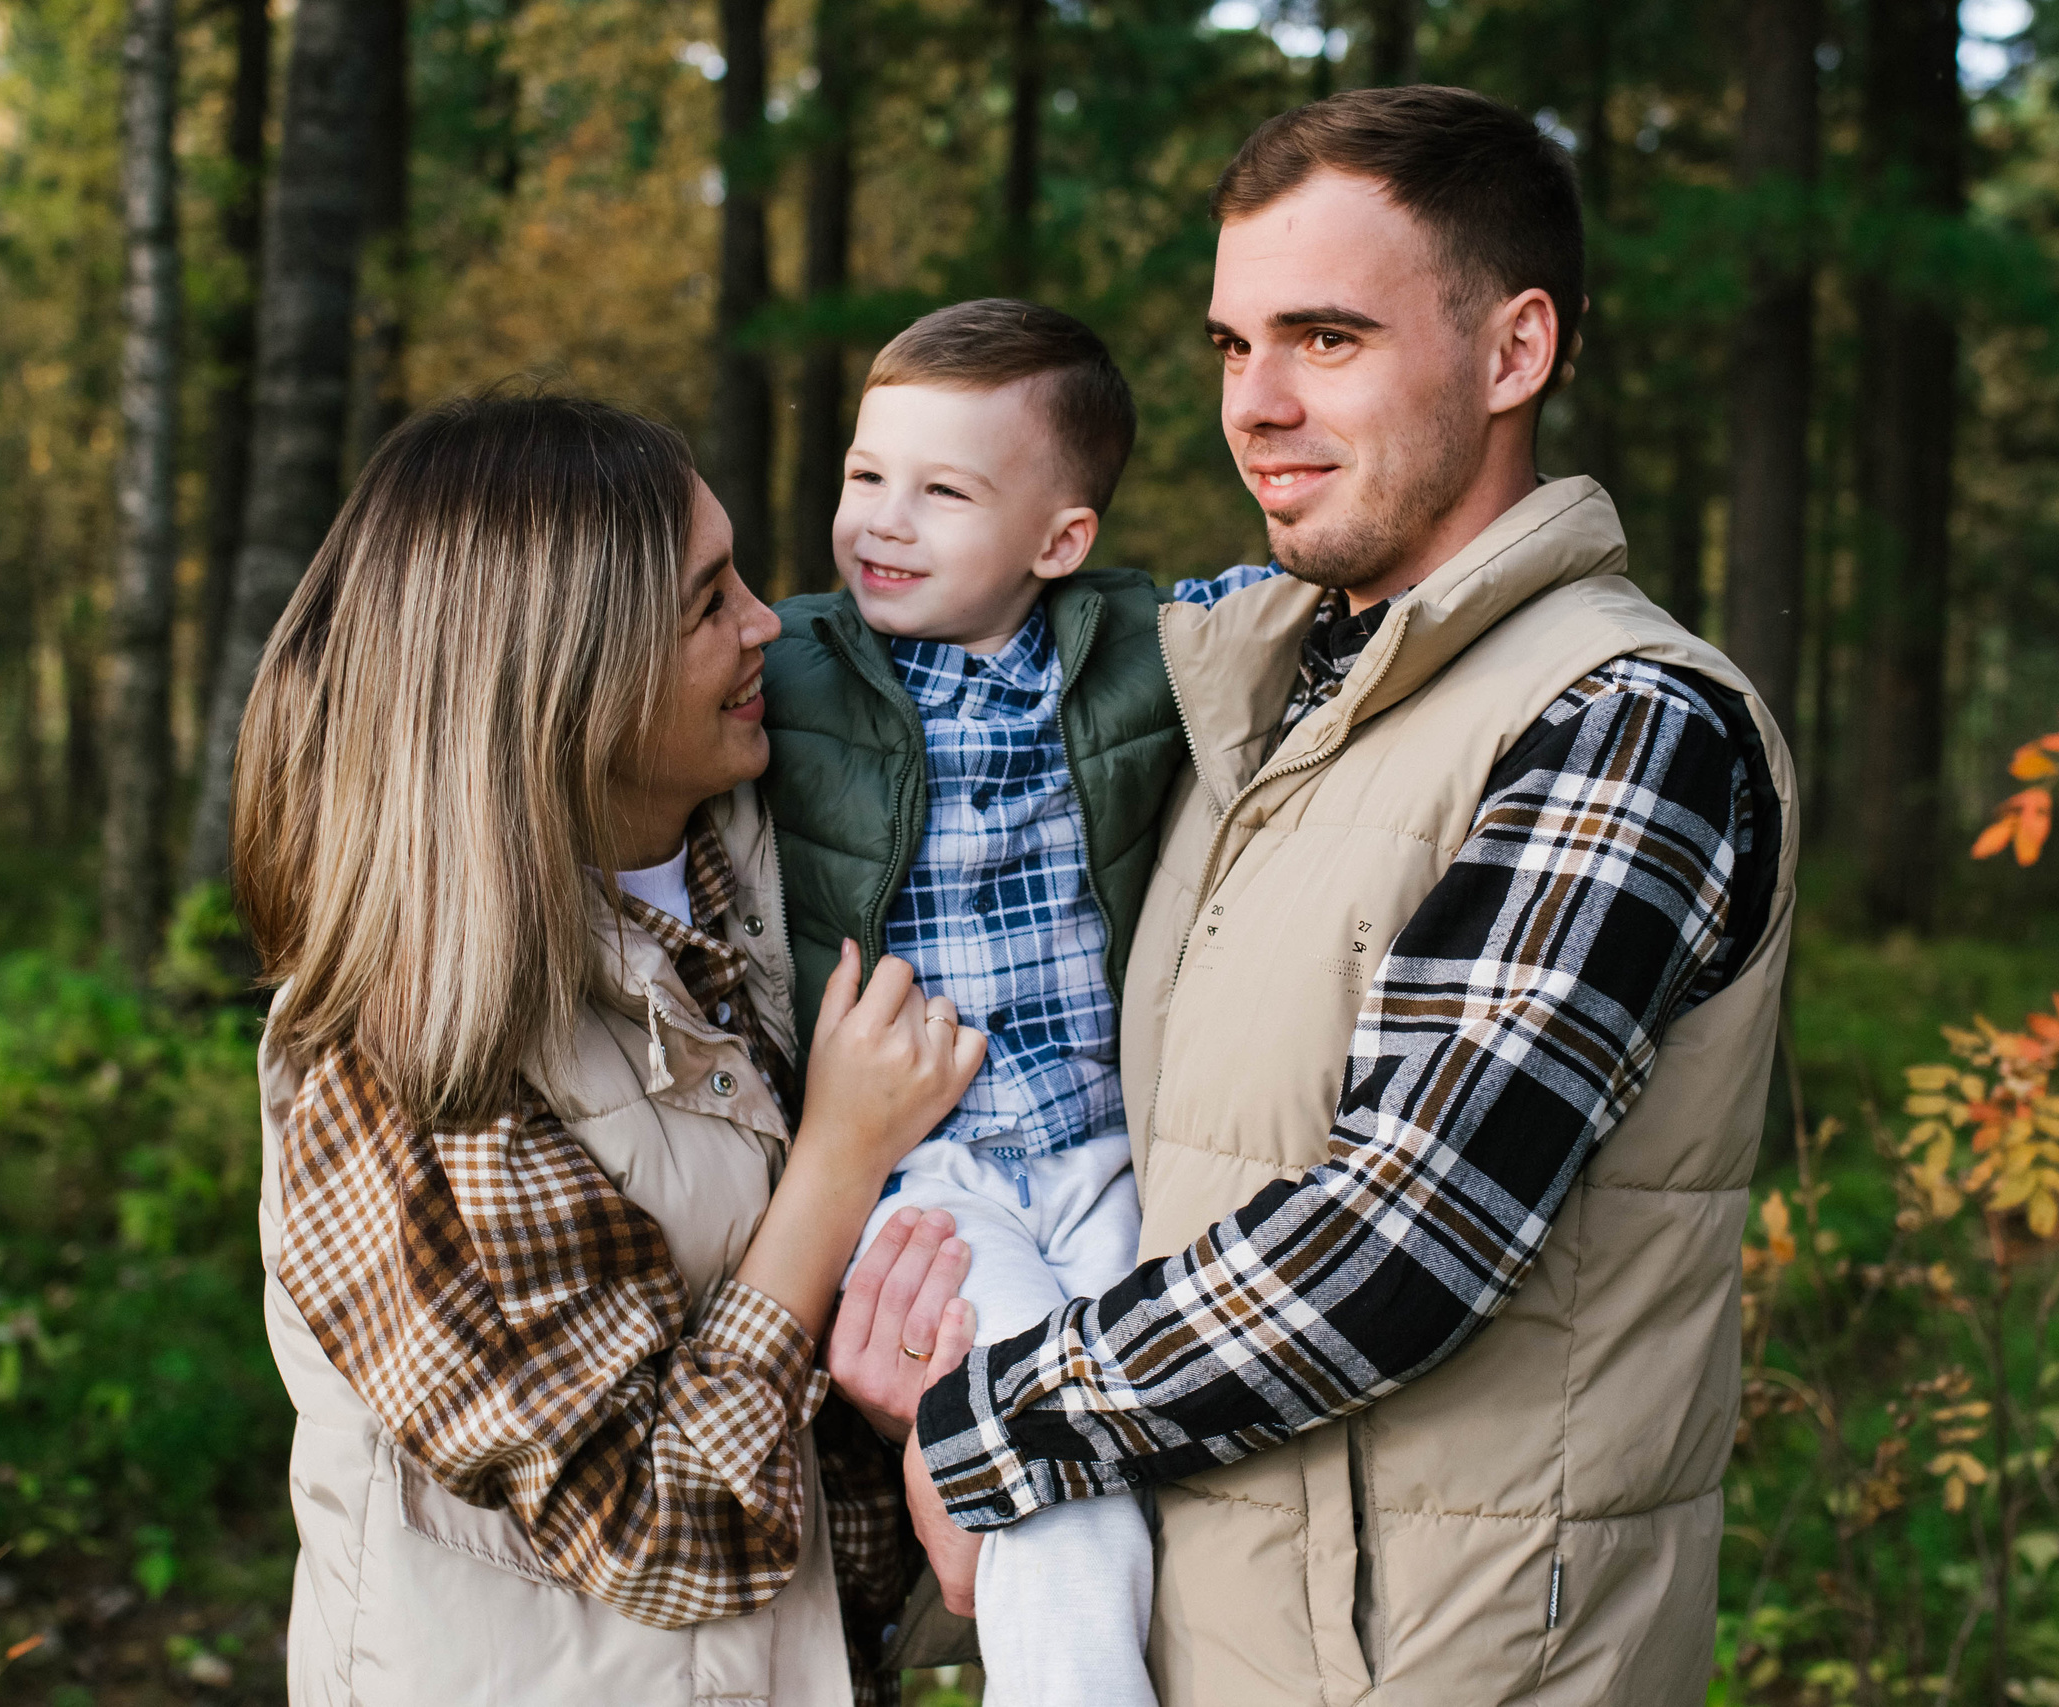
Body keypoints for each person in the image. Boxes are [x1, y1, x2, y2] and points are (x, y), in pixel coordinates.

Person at [902, 88, 1800, 1705]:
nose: (1255, 406)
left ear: (1515, 353)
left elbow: (1407, 1234)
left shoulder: (1623, 722)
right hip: (1218, 1642)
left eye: (1326, 340)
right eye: (1234, 346)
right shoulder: (1254, 701)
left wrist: (992, 1426)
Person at [232, 391, 989, 1707]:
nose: (767, 621)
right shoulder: (403, 1058)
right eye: (708, 603)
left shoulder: (774, 876)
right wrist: (841, 1159)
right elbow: (663, 1530)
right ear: (560, 680)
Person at [757, 299, 1273, 1707]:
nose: (884, 521)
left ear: (1058, 543)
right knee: (1045, 1433)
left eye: (942, 491)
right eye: (867, 475)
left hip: (1106, 1150)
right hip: (933, 1179)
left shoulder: (1132, 651)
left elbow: (1307, 613)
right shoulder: (790, 665)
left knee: (1178, 1423)